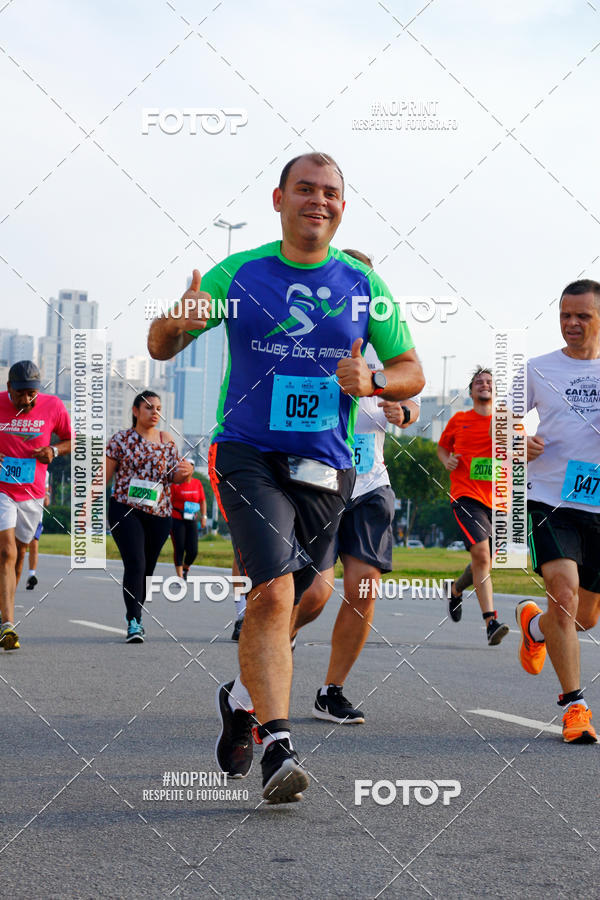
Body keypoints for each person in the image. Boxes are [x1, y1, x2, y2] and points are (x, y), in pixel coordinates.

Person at [148, 152, 425, 804]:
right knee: (272, 593)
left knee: (314, 595)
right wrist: (179, 320)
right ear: (279, 199)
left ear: (342, 207)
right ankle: (278, 745)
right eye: (305, 189)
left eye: (329, 192)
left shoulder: (364, 284)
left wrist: (375, 379)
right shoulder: (240, 272)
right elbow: (161, 344)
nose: (317, 200)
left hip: (327, 466)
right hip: (248, 453)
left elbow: (411, 370)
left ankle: (241, 699)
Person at [292, 248, 420, 724]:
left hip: (370, 482)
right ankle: (272, 642)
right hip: (318, 480)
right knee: (313, 595)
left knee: (364, 587)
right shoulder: (305, 334)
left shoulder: (387, 343)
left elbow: (413, 397)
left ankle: (331, 691)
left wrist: (401, 411)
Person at [516, 279, 600, 743]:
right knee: (563, 596)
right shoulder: (538, 368)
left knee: (585, 617)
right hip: (550, 498)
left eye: (582, 316)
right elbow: (501, 421)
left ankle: (535, 626)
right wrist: (517, 440)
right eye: (566, 315)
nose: (572, 323)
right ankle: (575, 708)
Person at [106, 390, 193, 643]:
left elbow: (174, 476)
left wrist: (186, 473)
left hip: (159, 514)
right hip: (125, 508)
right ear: (135, 411)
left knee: (147, 568)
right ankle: (134, 621)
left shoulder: (167, 440)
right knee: (135, 562)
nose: (155, 413)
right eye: (149, 407)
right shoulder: (120, 439)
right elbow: (104, 476)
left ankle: (137, 614)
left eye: (158, 409)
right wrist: (86, 506)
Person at [0, 361, 71, 650]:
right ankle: (8, 625)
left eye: (32, 394)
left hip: (32, 493)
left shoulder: (54, 406)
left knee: (20, 554)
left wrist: (54, 450)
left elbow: (71, 440)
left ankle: (4, 608)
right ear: (9, 388)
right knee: (6, 551)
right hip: (2, 489)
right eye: (21, 394)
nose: (27, 400)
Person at [437, 368, 510, 645]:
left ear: (495, 390)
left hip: (500, 500)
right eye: (478, 382)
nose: (484, 384)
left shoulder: (507, 421)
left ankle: (456, 590)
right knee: (481, 554)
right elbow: (442, 448)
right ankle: (491, 622)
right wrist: (447, 460)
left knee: (485, 561)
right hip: (466, 496)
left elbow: (522, 452)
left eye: (489, 381)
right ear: (471, 391)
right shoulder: (459, 420)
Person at [170, 472, 207, 579]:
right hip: (177, 518)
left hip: (192, 519)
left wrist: (204, 516)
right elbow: (168, 502)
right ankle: (180, 577)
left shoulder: (197, 483)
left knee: (193, 551)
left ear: (192, 470)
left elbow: (202, 501)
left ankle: (185, 568)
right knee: (179, 548)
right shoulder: (175, 484)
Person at [26, 472, 51, 590]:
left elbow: (46, 492)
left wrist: (46, 496)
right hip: (19, 511)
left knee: (34, 543)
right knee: (15, 547)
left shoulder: (45, 472)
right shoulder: (22, 465)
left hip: (36, 515)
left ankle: (32, 575)